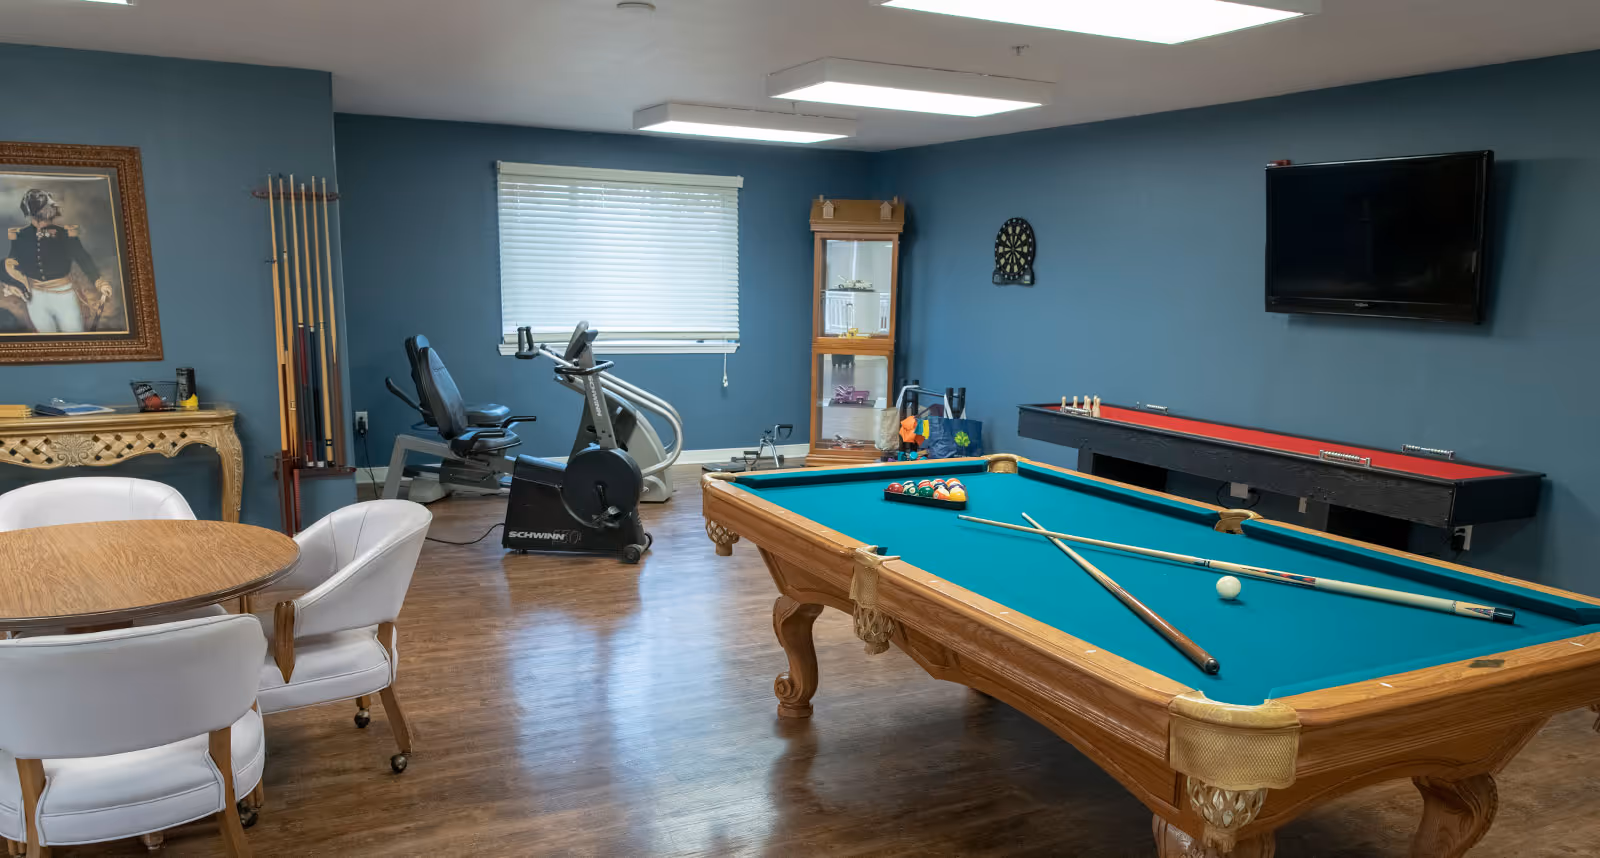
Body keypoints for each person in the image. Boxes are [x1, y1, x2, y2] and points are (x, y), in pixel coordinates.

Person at [0, 188, 114, 333]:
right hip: (35, 299)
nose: (49, 213)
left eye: (49, 209)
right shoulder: (20, 236)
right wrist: (13, 284)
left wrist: (99, 281)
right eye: (44, 210)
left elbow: (83, 258)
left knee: (75, 338)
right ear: (32, 212)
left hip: (64, 296)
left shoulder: (66, 234)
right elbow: (12, 264)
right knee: (48, 342)